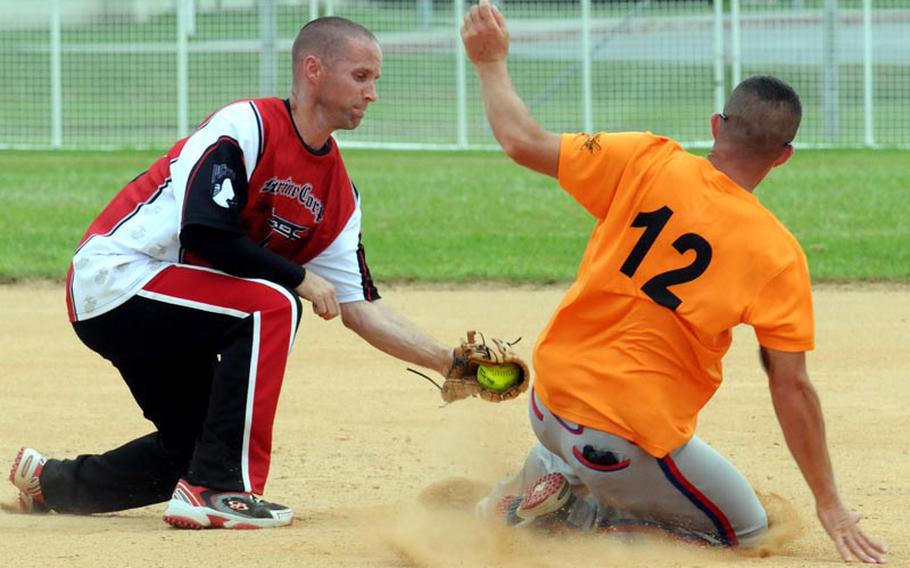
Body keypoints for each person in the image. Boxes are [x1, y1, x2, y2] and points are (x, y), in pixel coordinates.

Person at [460, 0, 888, 563]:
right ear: (783, 158)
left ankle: (533, 488)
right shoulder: (777, 253)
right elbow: (792, 388)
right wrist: (828, 503)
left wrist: (490, 62)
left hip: (547, 404)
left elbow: (520, 140)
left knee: (590, 443)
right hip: (616, 440)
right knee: (752, 533)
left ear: (716, 126)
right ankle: (583, 518)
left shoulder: (645, 158)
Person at [7, 16, 457, 530]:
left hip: (178, 309)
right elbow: (204, 230)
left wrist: (446, 361)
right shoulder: (246, 126)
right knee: (273, 304)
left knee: (195, 447)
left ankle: (53, 484)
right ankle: (220, 492)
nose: (372, 93)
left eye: (375, 79)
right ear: (313, 70)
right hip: (118, 279)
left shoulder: (338, 195)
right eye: (360, 76)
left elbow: (359, 307)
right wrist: (298, 277)